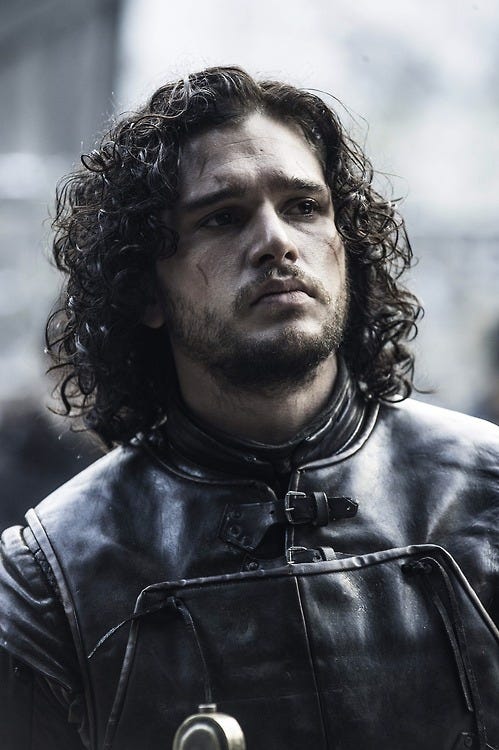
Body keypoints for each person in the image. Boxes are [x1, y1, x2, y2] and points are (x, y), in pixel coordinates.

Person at [0, 66, 498, 750]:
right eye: (222, 217)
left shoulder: (487, 494)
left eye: (303, 206)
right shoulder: (53, 575)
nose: (276, 242)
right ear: (145, 287)